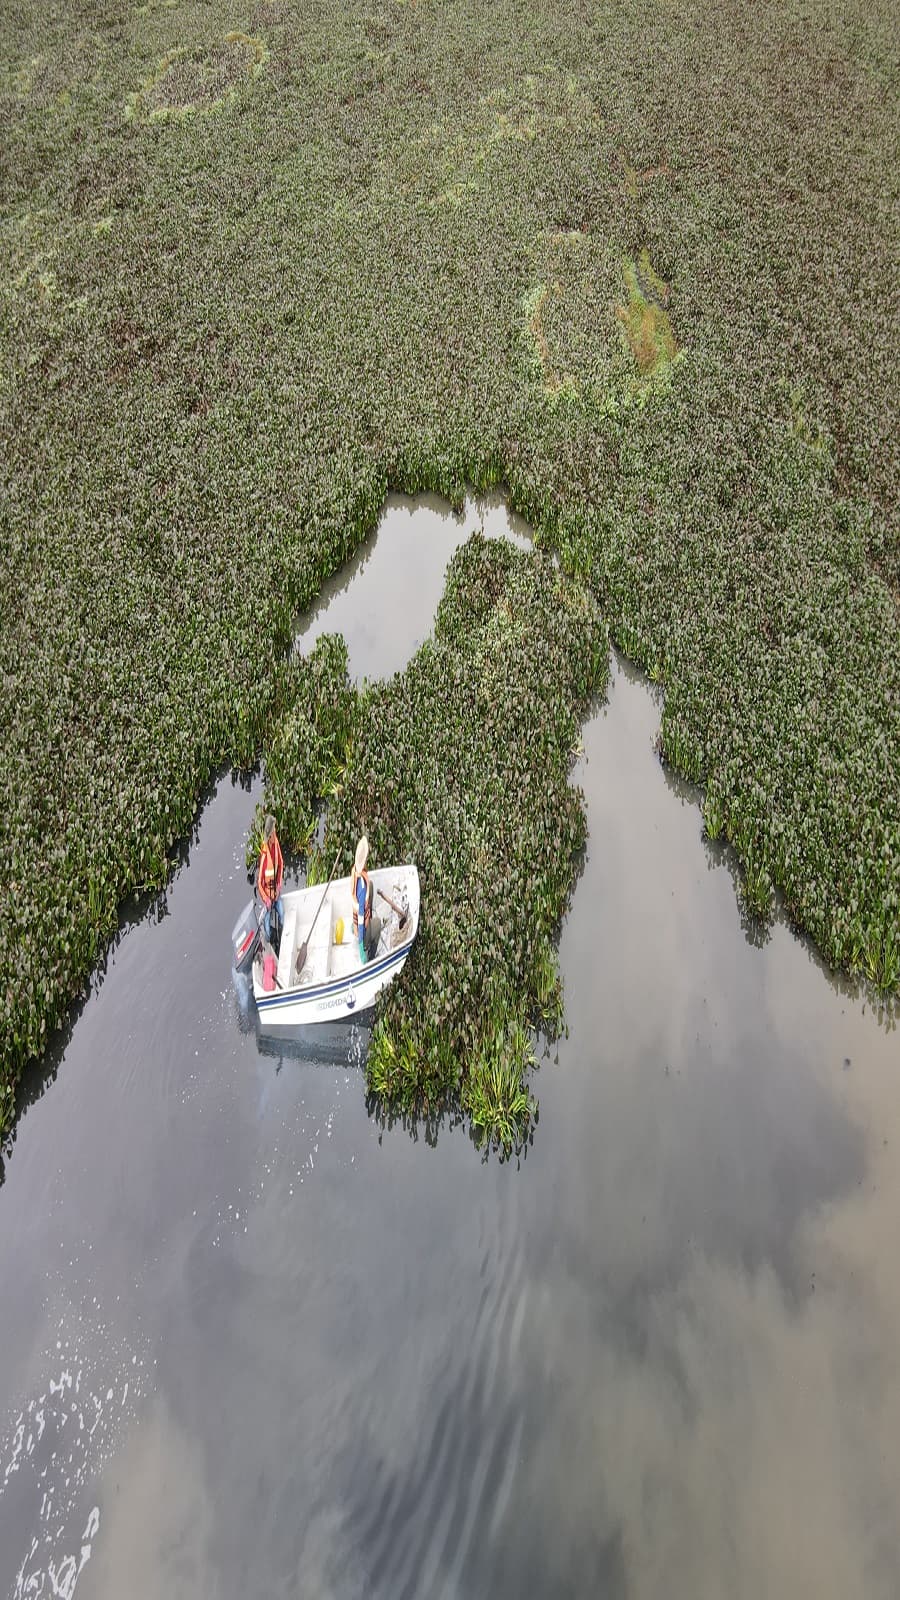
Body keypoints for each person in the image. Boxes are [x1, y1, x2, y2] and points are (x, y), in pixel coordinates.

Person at [350, 836, 380, 963]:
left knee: (371, 885)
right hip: (361, 927)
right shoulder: (361, 886)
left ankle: (364, 925)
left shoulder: (355, 872)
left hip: (359, 919)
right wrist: (362, 946)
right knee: (378, 924)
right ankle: (371, 956)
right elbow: (361, 917)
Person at [257, 814, 284, 947]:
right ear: (269, 833)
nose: (275, 833)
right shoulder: (264, 856)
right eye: (273, 831)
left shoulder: (276, 844)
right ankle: (269, 942)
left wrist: (279, 885)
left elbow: (281, 864)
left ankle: (282, 936)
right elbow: (259, 883)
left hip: (276, 893)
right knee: (266, 925)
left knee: (282, 913)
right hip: (268, 896)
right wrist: (266, 900)